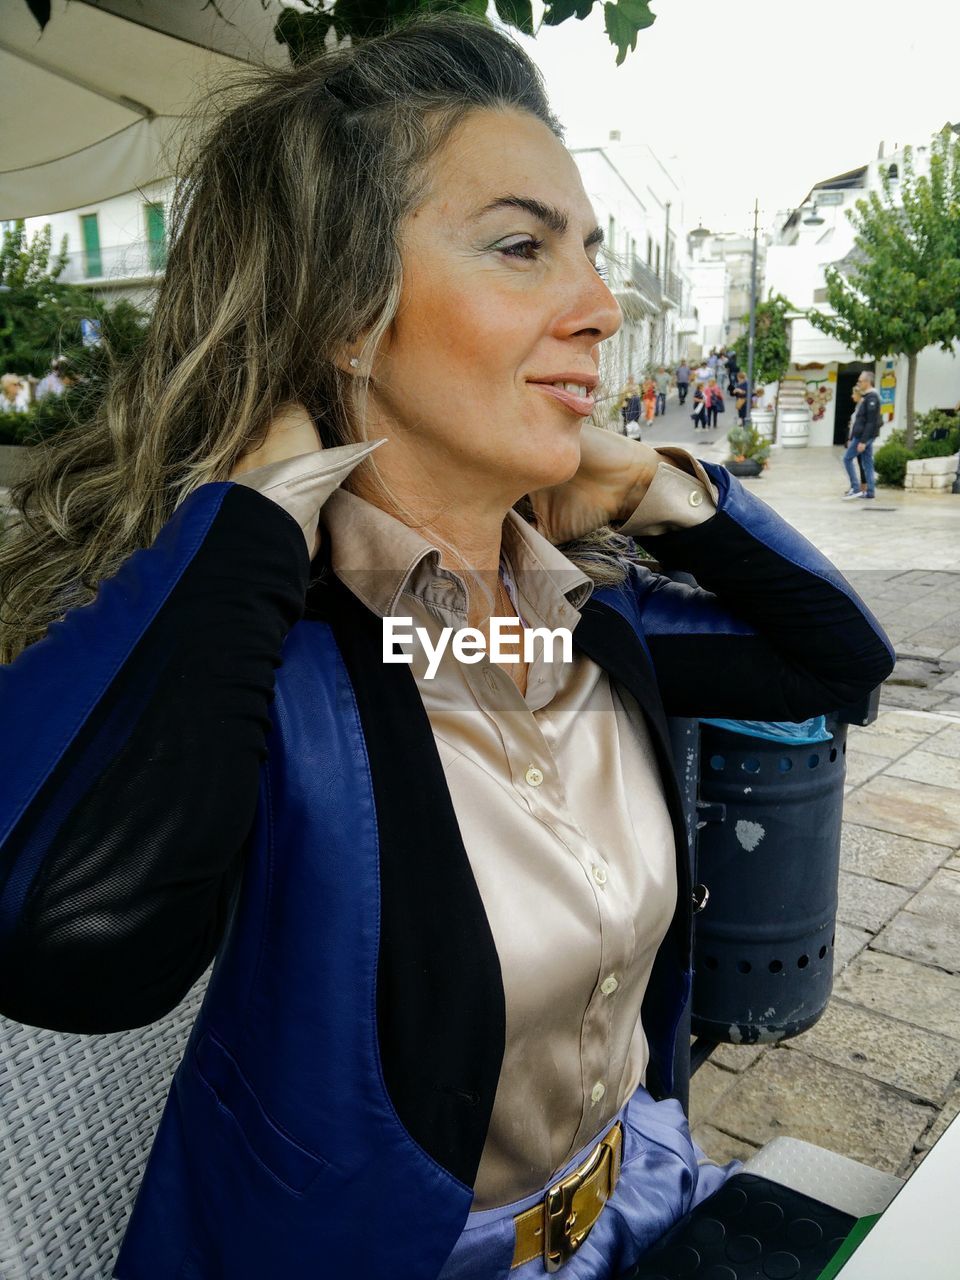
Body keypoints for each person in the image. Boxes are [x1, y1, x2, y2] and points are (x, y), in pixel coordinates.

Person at [0, 17, 894, 1280]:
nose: (594, 308)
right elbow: (64, 939)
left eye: (589, 251)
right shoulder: (271, 664)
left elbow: (836, 668)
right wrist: (256, 511)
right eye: (523, 247)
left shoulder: (582, 617)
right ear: (346, 313)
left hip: (642, 1210)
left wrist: (666, 493)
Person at [842, 370, 880, 499]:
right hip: (862, 436)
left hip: (863, 436)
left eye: (860, 381)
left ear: (867, 382)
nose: (858, 383)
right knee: (868, 463)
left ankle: (856, 487)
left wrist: (863, 441)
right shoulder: (867, 397)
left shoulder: (872, 398)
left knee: (847, 459)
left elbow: (870, 422)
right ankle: (870, 492)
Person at [618, 375, 642, 439]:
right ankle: (626, 435)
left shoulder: (636, 386)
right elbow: (622, 395)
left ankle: (635, 436)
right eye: (629, 379)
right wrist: (627, 391)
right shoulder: (625, 386)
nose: (631, 380)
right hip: (626, 405)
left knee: (634, 422)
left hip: (634, 406)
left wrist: (634, 392)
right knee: (626, 421)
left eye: (632, 378)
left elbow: (639, 394)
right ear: (628, 379)